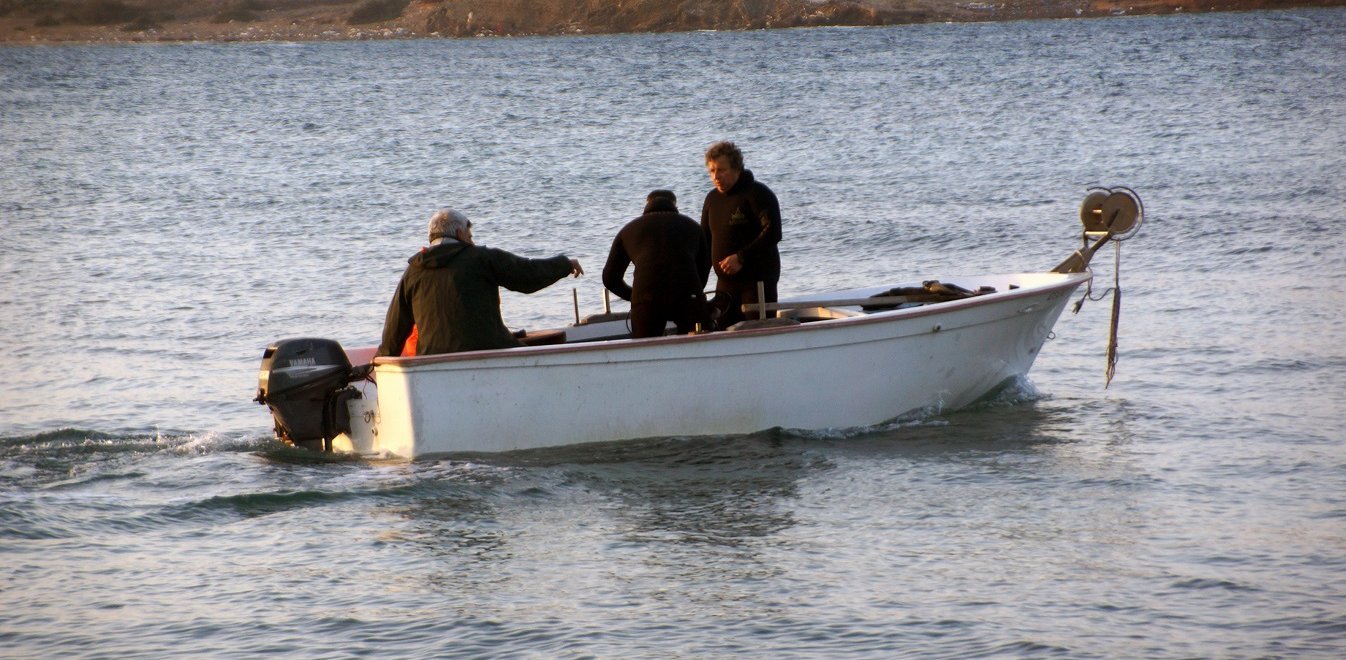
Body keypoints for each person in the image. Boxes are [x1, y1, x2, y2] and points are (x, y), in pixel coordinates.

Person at [376, 208, 583, 357]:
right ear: (459, 234)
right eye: (470, 235)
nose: (472, 241)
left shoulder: (414, 271)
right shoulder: (481, 258)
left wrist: (380, 361)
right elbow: (528, 275)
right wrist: (564, 264)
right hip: (489, 351)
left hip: (431, 359)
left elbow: (396, 326)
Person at [602, 189, 711, 339]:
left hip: (646, 299)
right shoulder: (693, 227)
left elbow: (609, 278)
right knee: (699, 347)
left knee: (644, 353)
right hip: (688, 297)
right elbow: (704, 270)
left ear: (647, 205)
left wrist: (633, 296)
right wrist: (694, 292)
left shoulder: (628, 230)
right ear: (675, 205)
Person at [700, 140, 782, 328]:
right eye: (712, 171)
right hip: (725, 284)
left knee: (757, 333)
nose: (716, 176)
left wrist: (741, 257)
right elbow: (704, 242)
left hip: (757, 281)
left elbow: (773, 232)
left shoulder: (757, 193)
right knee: (722, 332)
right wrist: (696, 285)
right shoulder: (712, 199)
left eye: (721, 170)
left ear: (737, 168)